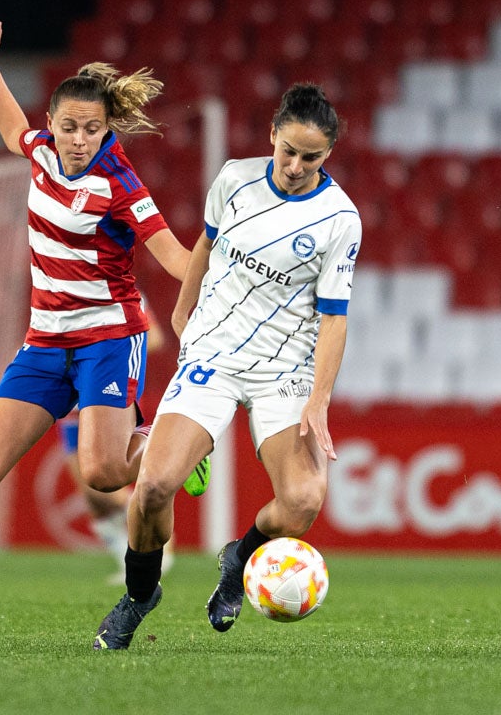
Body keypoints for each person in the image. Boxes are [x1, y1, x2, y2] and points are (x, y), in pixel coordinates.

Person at [0, 4, 194, 646]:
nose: (78, 139)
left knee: (102, 476)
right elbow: (13, 127)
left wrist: (231, 263)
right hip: (45, 341)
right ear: (53, 124)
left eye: (92, 129)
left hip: (108, 339)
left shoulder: (121, 185)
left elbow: (178, 260)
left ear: (107, 131)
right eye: (69, 126)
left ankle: (176, 445)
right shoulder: (40, 150)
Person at [93, 83, 362, 649]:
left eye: (311, 157)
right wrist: (183, 310)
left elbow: (335, 319)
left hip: (284, 372)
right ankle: (139, 596)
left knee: (302, 502)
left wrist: (319, 401)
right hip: (213, 356)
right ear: (273, 134)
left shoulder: (340, 220)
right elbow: (206, 246)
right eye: (289, 150)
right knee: (153, 487)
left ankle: (239, 560)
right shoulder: (236, 179)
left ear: (329, 154)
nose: (295, 166)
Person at [59, 293, 175, 584]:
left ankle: (158, 540)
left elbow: (155, 339)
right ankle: (124, 558)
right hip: (73, 398)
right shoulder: (63, 286)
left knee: (106, 484)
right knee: (91, 494)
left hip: (110, 391)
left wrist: (105, 355)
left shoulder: (124, 290)